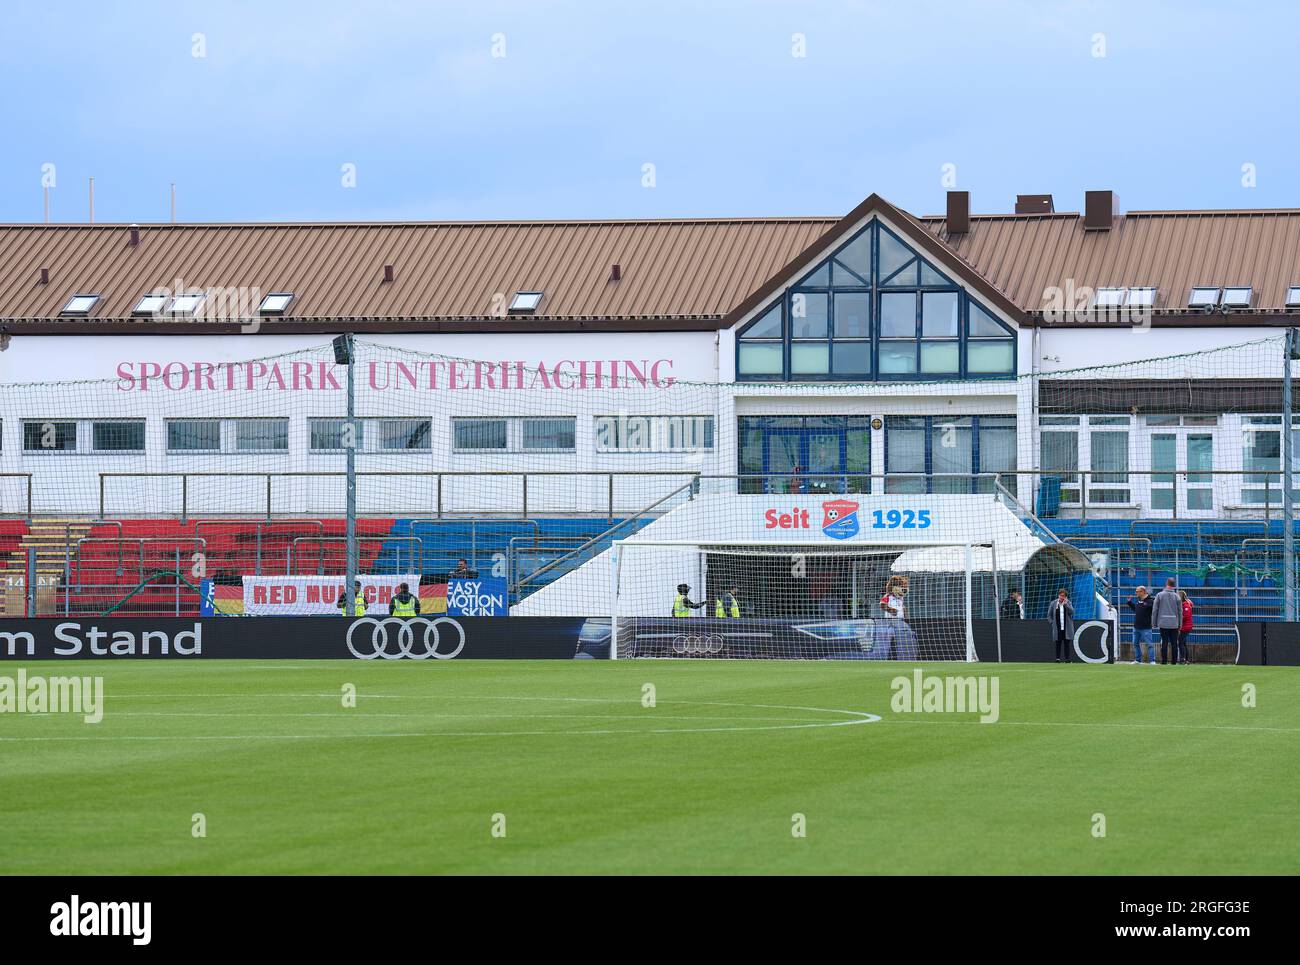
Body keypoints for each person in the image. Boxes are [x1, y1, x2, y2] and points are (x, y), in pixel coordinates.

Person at [1151, 578, 1182, 665]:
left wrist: (1153, 622)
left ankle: (1164, 661)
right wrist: (1180, 624)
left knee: (1164, 642)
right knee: (1174, 643)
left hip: (1163, 622)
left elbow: (1155, 610)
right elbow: (1180, 611)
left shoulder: (1159, 595)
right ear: (1174, 585)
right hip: (1174, 623)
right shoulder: (1177, 596)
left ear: (1166, 583)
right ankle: (1174, 662)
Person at [1124, 586, 1156, 665]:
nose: (1136, 593)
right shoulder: (1139, 601)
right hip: (1136, 627)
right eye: (1136, 591)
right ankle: (1138, 660)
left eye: (1138, 591)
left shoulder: (1150, 601)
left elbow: (1149, 608)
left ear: (1143, 592)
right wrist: (1129, 602)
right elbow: (1136, 609)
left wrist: (1144, 603)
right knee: (1135, 643)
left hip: (1146, 628)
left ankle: (1152, 661)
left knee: (1149, 645)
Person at [1047, 588, 1073, 663]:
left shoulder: (1068, 603)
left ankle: (1067, 659)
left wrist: (1066, 605)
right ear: (1058, 595)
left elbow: (1072, 612)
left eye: (1063, 596)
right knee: (1058, 643)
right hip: (1057, 627)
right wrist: (1052, 623)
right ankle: (1057, 659)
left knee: (1067, 643)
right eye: (1060, 595)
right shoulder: (1053, 603)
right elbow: (1049, 615)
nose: (1061, 597)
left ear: (1066, 597)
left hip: (1066, 627)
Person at [1177, 589, 1194, 665]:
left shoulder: (1186, 605)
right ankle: (1186, 659)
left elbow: (1185, 616)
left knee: (1180, 642)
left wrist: (1177, 619)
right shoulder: (1184, 604)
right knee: (1183, 643)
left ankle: (1183, 659)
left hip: (1186, 627)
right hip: (1185, 627)